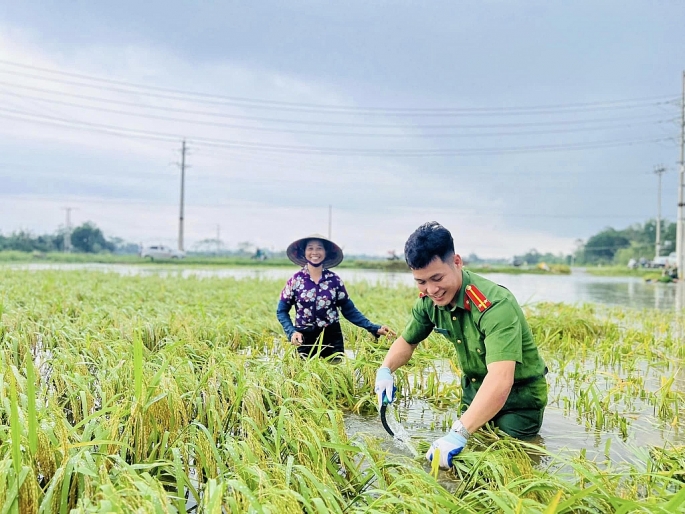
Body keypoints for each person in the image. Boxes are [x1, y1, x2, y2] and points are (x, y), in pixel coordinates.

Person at [374, 222, 548, 469]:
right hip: (474, 391)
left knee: (508, 462)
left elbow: (501, 378)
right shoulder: (429, 302)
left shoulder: (494, 305)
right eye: (421, 281)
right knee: (463, 461)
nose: (431, 289)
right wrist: (385, 370)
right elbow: (406, 341)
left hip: (519, 399)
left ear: (457, 261)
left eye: (437, 278)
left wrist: (459, 432)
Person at [277, 233, 394, 360]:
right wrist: (292, 332)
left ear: (326, 252)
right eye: (310, 248)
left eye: (319, 248)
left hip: (331, 338)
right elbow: (281, 311)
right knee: (305, 376)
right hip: (304, 338)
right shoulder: (296, 280)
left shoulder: (334, 280)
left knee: (335, 375)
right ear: (304, 252)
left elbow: (349, 310)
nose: (314, 252)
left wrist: (374, 328)